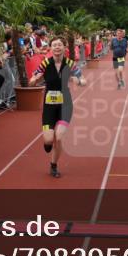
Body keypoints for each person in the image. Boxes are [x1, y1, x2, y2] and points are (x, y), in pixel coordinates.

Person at [29, 38, 85, 178]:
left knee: (58, 138)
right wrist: (34, 80)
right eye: (54, 45)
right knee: (49, 140)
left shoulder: (70, 64)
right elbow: (34, 78)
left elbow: (82, 78)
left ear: (64, 47)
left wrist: (79, 81)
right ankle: (48, 143)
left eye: (60, 45)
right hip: (49, 106)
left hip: (65, 105)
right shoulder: (45, 63)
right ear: (50, 48)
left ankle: (53, 166)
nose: (57, 47)